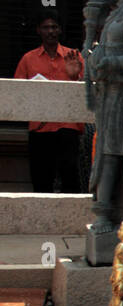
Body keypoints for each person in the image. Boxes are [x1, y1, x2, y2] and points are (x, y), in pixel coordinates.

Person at [14, 10, 85, 192]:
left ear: (60, 30)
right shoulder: (28, 59)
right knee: (41, 180)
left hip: (68, 126)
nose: (50, 31)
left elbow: (89, 93)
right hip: (40, 127)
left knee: (71, 179)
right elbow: (17, 93)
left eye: (54, 27)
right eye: (46, 27)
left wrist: (74, 76)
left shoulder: (74, 56)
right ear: (38, 30)